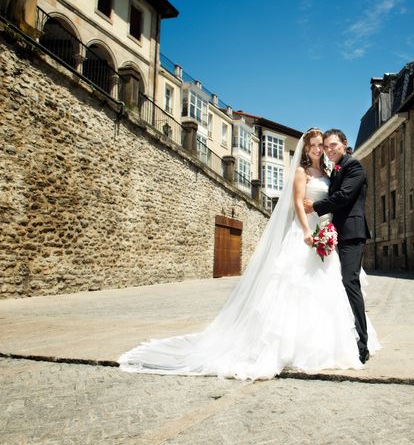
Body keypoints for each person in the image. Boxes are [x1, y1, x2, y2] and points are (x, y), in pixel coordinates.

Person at [118, 128, 379, 380]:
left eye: (323, 145)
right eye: (315, 145)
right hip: (307, 231)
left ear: (337, 146)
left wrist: (320, 217)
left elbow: (340, 198)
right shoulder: (302, 173)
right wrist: (306, 231)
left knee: (333, 286)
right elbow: (299, 203)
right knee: (295, 285)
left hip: (327, 230)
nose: (319, 149)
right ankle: (290, 345)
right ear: (306, 148)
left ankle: (339, 342)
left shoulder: (334, 170)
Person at [303, 129, 371, 364]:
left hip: (352, 233)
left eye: (334, 145)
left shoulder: (354, 167)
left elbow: (344, 196)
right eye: (327, 146)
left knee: (350, 282)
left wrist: (316, 206)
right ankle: (340, 335)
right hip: (336, 233)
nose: (329, 149)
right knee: (334, 283)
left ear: (344, 144)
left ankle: (363, 343)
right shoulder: (336, 169)